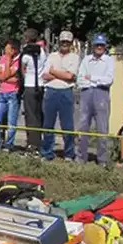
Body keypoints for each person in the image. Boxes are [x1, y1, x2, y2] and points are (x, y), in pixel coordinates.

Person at [40, 31, 80, 161]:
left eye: (67, 42)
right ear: (59, 42)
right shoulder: (51, 56)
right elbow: (45, 75)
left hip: (66, 91)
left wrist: (53, 71)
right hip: (51, 91)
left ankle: (69, 153)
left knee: (67, 125)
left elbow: (70, 76)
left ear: (71, 43)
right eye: (63, 42)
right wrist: (62, 74)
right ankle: (47, 152)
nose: (64, 44)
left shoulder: (75, 57)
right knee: (48, 124)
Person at [76, 34, 115, 165]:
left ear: (105, 46)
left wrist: (91, 78)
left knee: (102, 128)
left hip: (102, 93)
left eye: (101, 45)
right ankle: (81, 157)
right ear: (93, 46)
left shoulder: (108, 60)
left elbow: (108, 80)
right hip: (86, 93)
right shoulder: (86, 60)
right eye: (97, 45)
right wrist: (96, 80)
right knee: (83, 126)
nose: (99, 47)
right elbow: (80, 79)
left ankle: (102, 159)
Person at [0, 39, 21, 150]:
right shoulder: (2, 58)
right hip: (2, 92)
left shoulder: (18, 61)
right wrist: (5, 77)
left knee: (11, 123)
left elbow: (8, 75)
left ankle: (9, 145)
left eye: (7, 49)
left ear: (14, 50)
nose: (5, 51)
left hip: (13, 93)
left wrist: (7, 62)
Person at [20, 28, 47, 154]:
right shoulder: (42, 51)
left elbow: (22, 69)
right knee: (38, 115)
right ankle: (39, 142)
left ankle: (32, 145)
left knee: (30, 116)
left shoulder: (26, 52)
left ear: (26, 39)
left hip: (30, 85)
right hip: (40, 85)